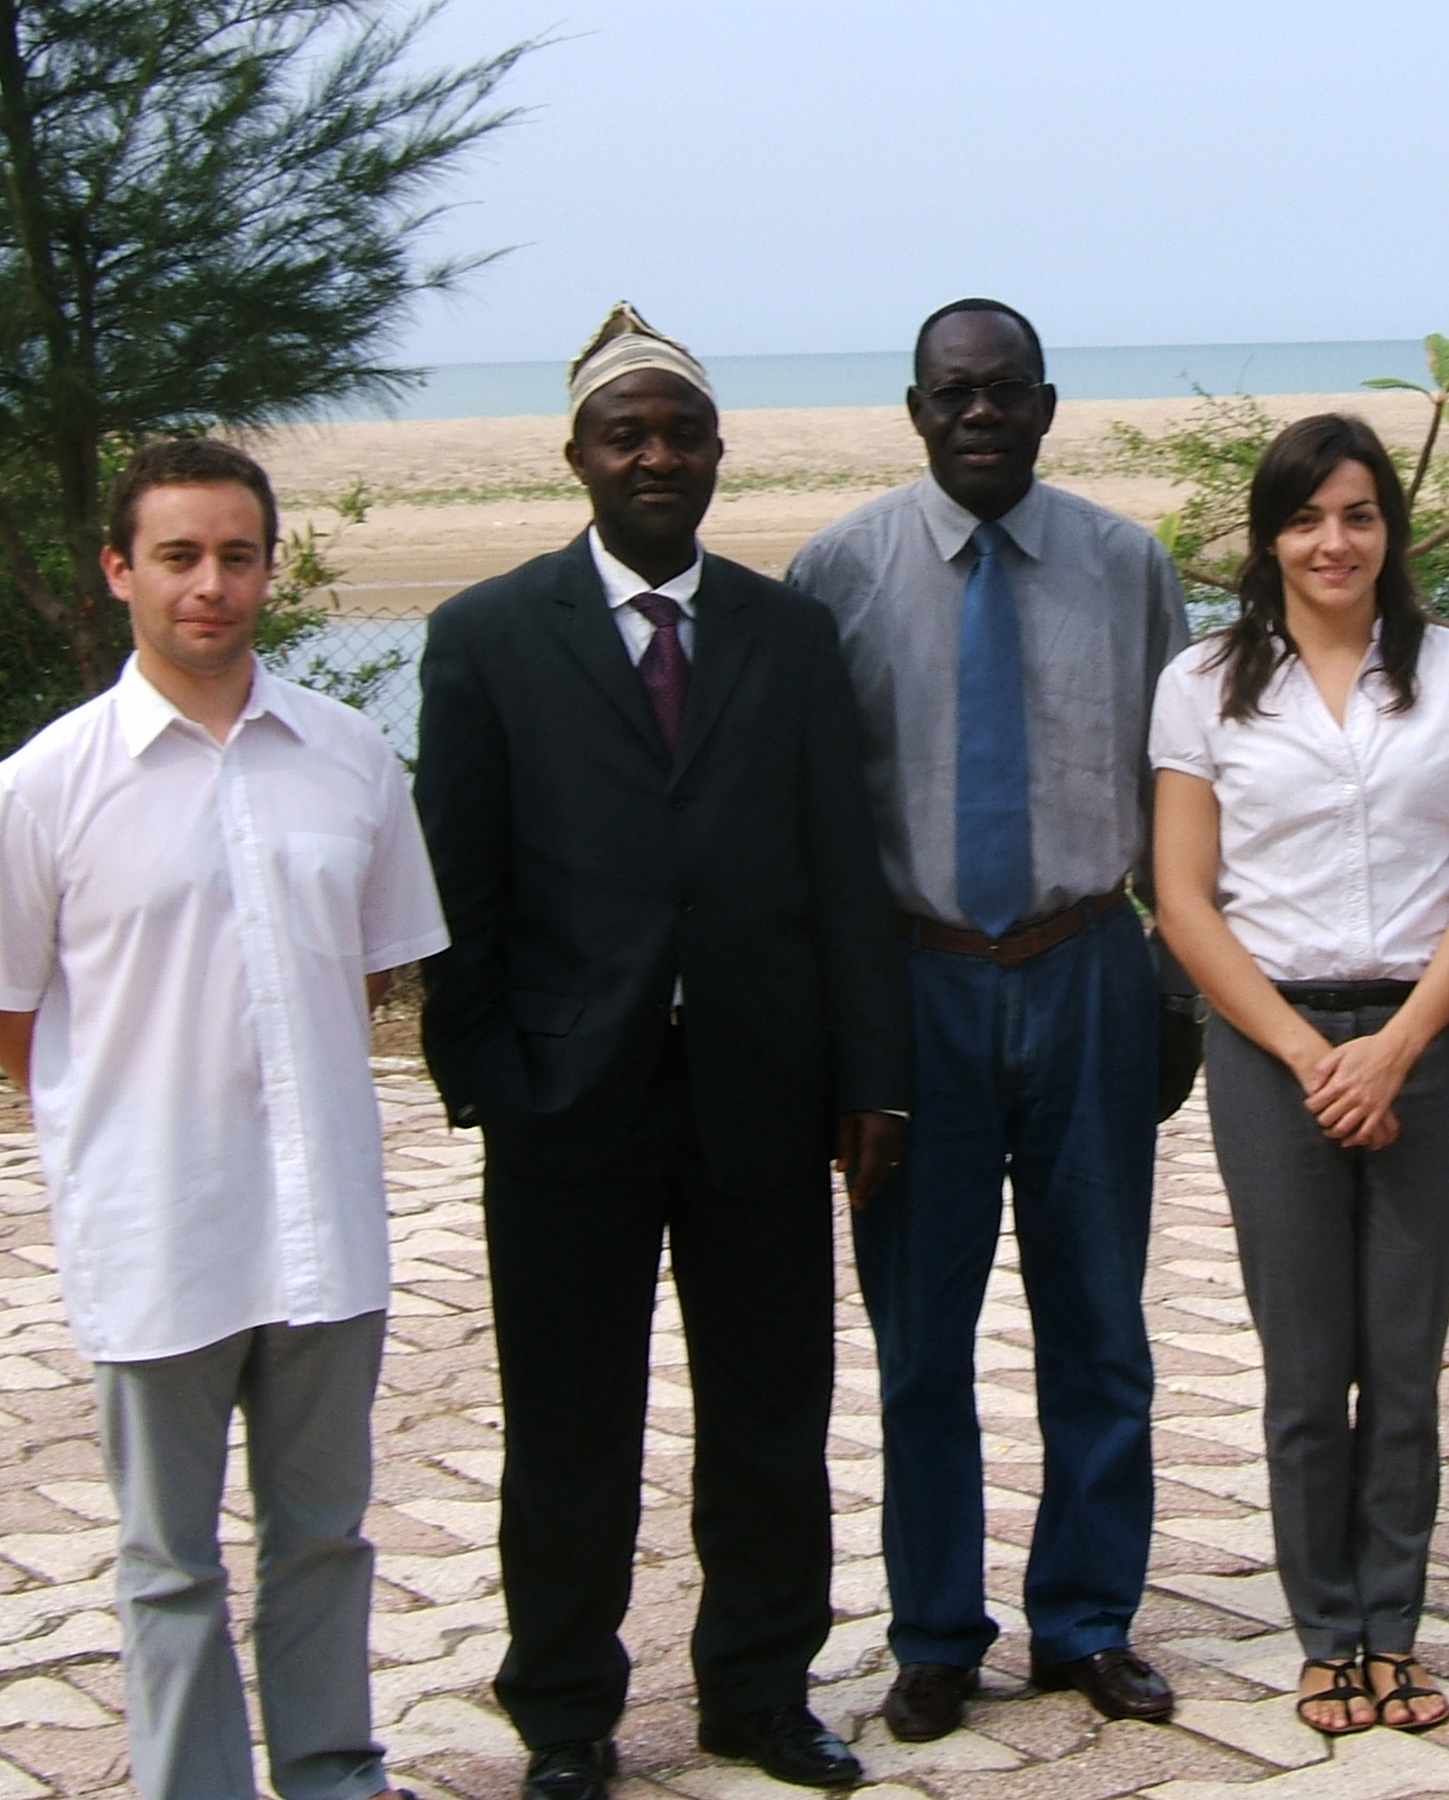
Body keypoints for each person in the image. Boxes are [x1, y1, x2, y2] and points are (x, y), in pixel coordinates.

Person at [413, 304, 910, 1796]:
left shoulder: (788, 634)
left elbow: (843, 871)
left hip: (761, 1092)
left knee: (770, 1414)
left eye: (680, 430)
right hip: (569, 1103)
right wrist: (485, 1076)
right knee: (571, 1425)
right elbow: (459, 889)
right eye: (625, 431)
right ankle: (566, 1717)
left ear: (715, 453)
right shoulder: (488, 637)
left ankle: (759, 1692)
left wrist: (868, 1074)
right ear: (576, 452)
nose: (655, 454)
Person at [0, 438, 448, 1800]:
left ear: (269, 569)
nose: (208, 585)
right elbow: (1, 1008)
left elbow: (374, 965)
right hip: (158, 1226)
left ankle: (335, 1771)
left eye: (235, 555)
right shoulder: (42, 789)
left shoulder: (348, 762)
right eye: (177, 556)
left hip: (324, 1229)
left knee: (325, 1533)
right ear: (120, 571)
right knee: (169, 1561)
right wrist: (121, 1111)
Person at [784, 297, 1191, 1743]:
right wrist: (846, 1040)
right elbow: (812, 829)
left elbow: (1185, 798)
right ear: (914, 410)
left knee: (1099, 1325)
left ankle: (1087, 1620)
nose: (979, 415)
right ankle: (938, 1633)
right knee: (921, 1341)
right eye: (952, 394)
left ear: (1046, 403)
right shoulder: (834, 576)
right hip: (915, 994)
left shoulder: (1129, 568)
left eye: (1004, 391)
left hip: (1088, 973)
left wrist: (1178, 989)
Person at [1147, 414, 1449, 1737]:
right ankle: (1324, 1635)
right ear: (1268, 539)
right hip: (1271, 1053)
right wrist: (1313, 1056)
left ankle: (1397, 1629)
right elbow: (1185, 902)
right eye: (1306, 518)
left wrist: (1400, 1046)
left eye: (1358, 514)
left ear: (1390, 531)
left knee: (1404, 1363)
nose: (1333, 541)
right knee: (1307, 1370)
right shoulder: (1203, 686)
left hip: (1422, 1043)